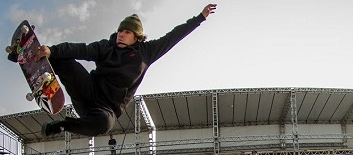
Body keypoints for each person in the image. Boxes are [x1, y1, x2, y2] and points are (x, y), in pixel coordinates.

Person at [32, 5, 218, 137]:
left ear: (136, 36)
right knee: (63, 57)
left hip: (105, 110)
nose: (121, 34)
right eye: (120, 31)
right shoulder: (107, 46)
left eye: (127, 32)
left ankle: (62, 126)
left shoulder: (147, 52)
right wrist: (52, 50)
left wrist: (200, 18)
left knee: (104, 125)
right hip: (88, 91)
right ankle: (32, 57)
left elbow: (174, 36)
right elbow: (82, 49)